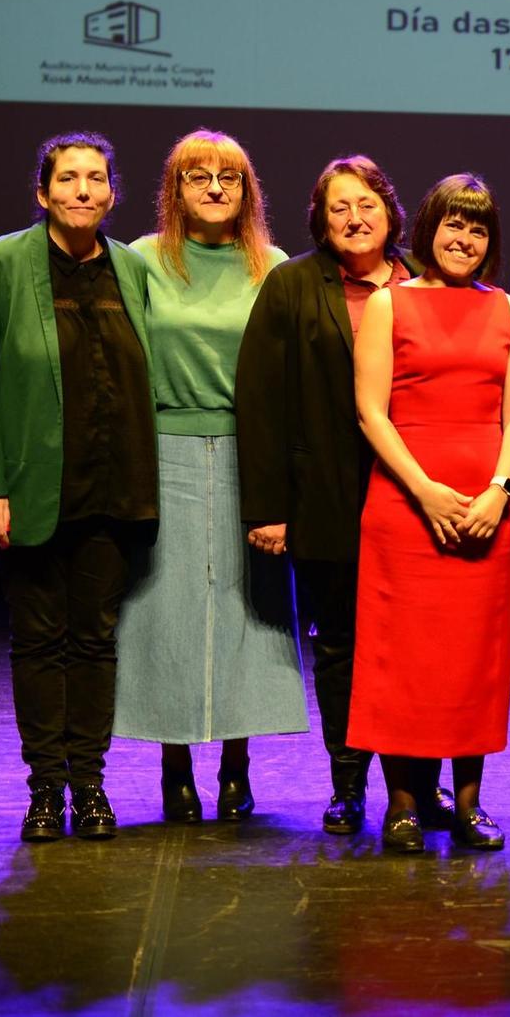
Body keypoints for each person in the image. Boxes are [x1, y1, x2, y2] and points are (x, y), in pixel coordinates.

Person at [0, 132, 158, 841]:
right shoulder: (2, 263)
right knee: (39, 642)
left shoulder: (130, 268)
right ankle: (45, 791)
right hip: (33, 491)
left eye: (95, 178)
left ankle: (90, 788)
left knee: (95, 643)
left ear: (111, 192)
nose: (81, 190)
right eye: (67, 178)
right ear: (43, 193)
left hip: (113, 488)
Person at [117, 130, 302, 821]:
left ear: (248, 190)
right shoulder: (142, 261)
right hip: (163, 451)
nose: (216, 188)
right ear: (176, 189)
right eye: (199, 177)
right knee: (164, 612)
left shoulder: (272, 265)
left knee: (241, 613)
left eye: (230, 176)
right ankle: (174, 766)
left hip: (248, 454)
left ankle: (235, 764)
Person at [347, 174, 510, 853]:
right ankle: (401, 804)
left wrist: (499, 491)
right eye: (454, 224)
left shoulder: (506, 309)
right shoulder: (391, 306)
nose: (465, 239)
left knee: (473, 662)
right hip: (404, 508)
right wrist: (424, 490)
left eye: (478, 228)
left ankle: (470, 803)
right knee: (405, 662)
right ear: (427, 230)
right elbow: (371, 411)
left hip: (487, 512)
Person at [236, 156, 414, 834]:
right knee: (339, 645)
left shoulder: (425, 281)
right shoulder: (290, 285)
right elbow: (259, 403)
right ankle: (348, 783)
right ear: (319, 219)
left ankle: (411, 783)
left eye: (366, 203)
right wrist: (268, 509)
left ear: (391, 212)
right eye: (339, 207)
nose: (355, 217)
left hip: (412, 496)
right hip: (325, 499)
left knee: (406, 647)